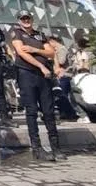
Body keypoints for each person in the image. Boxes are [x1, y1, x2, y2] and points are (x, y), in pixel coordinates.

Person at [10, 10, 65, 161]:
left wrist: (35, 49)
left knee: (48, 110)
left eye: (28, 18)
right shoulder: (17, 33)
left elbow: (51, 53)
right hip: (27, 74)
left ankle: (55, 147)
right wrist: (41, 66)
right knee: (32, 110)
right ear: (19, 21)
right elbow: (22, 52)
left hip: (43, 76)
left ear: (32, 19)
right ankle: (37, 148)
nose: (26, 21)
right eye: (23, 18)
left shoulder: (39, 35)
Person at [49, 35, 80, 121]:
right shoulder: (58, 50)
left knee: (63, 95)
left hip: (65, 74)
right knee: (61, 94)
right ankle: (65, 112)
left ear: (53, 41)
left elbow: (61, 61)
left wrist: (53, 56)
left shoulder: (61, 49)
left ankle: (70, 113)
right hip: (61, 74)